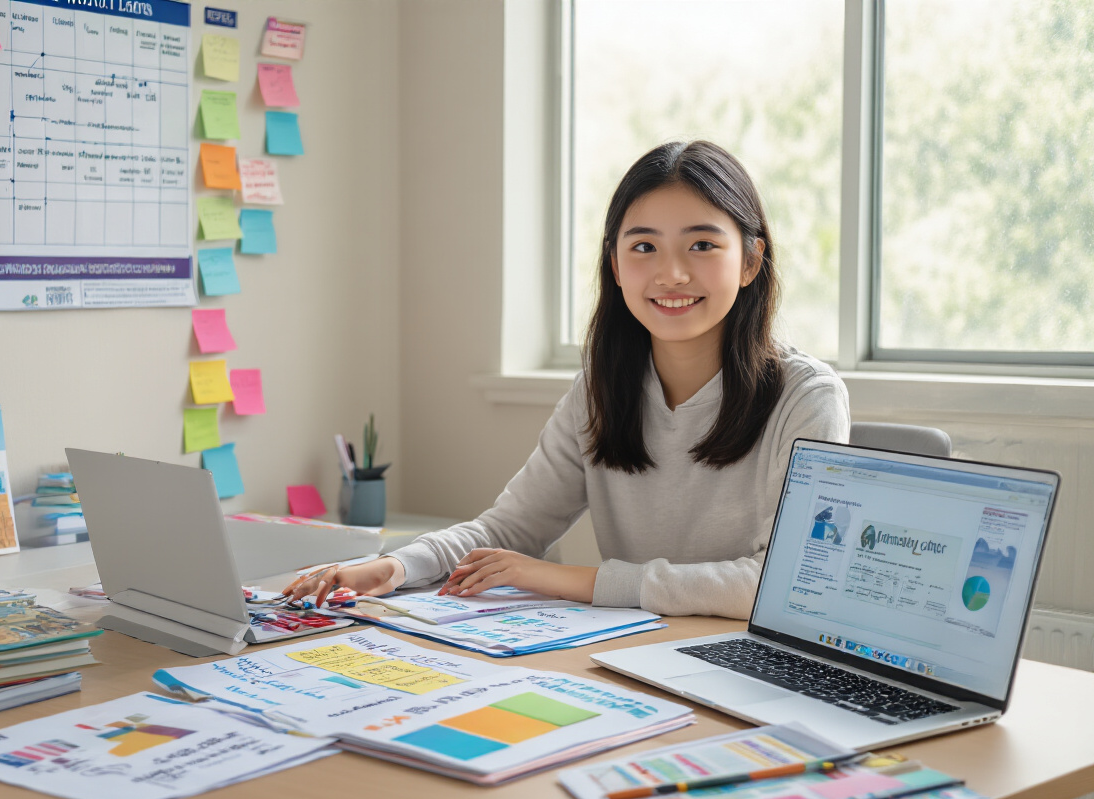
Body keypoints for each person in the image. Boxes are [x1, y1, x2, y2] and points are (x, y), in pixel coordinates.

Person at [287, 140, 850, 619]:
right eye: (643, 246)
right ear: (615, 265)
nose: (671, 273)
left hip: (744, 660)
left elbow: (786, 581)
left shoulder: (806, 398)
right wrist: (396, 565)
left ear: (751, 261)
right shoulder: (600, 390)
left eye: (702, 245)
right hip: (630, 655)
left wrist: (574, 581)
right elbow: (510, 529)